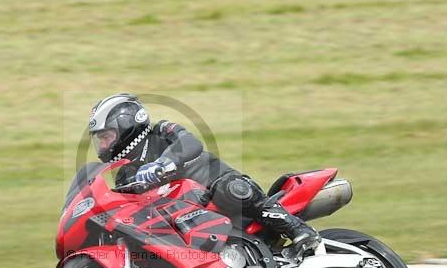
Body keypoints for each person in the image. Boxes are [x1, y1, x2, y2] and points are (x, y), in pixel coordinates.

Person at [88, 93, 321, 258]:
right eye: (100, 139)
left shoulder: (162, 131)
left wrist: (163, 163)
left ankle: (300, 231)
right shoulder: (125, 174)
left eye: (106, 136)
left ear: (126, 125)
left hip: (217, 190)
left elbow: (190, 143)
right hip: (191, 221)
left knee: (231, 191)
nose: (103, 145)